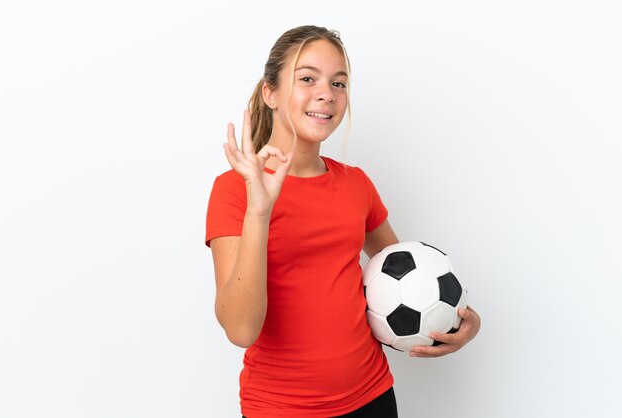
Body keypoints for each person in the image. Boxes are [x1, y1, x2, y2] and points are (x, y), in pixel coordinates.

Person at [205, 25, 481, 418]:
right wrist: (259, 211)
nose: (326, 94)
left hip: (372, 397)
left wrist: (459, 321)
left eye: (339, 83)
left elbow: (407, 278)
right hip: (280, 408)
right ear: (271, 93)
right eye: (307, 78)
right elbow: (240, 330)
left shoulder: (356, 184)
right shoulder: (234, 191)